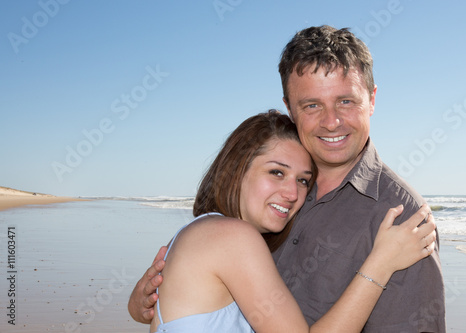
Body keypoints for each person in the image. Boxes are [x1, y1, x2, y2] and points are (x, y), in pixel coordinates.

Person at [130, 26, 446, 332]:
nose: (332, 121)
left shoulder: (402, 219)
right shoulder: (261, 213)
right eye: (312, 105)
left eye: (346, 101)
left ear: (372, 99)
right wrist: (148, 298)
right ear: (290, 109)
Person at [147, 110, 436, 333]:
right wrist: (380, 264)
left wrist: (139, 306)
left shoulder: (199, 231)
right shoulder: (232, 238)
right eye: (276, 172)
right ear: (236, 169)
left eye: (302, 180)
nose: (292, 193)